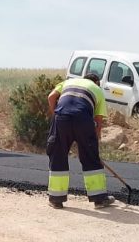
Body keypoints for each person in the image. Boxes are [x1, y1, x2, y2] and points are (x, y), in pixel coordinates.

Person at [46, 72, 114, 209]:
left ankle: (56, 199)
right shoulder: (97, 90)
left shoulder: (68, 82)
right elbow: (98, 122)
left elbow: (51, 97)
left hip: (61, 118)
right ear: (96, 83)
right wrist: (91, 147)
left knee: (58, 155)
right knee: (90, 159)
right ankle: (99, 200)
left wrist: (56, 115)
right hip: (83, 119)